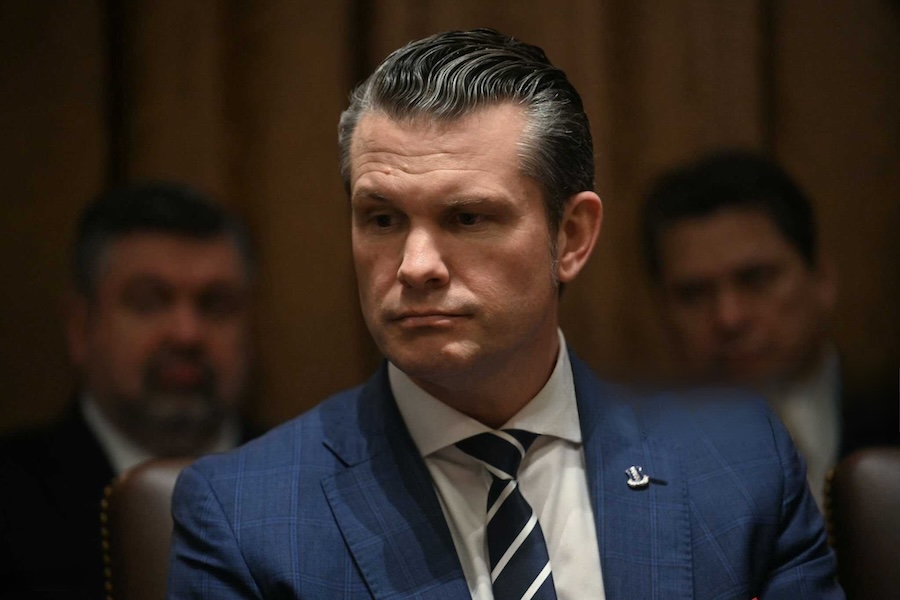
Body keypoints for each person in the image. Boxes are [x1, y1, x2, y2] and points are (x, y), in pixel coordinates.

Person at [168, 30, 842, 599]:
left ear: (570, 238)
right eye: (382, 219)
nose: (415, 266)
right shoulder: (243, 516)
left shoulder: (738, 463)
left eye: (467, 218)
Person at [0, 181, 259, 599]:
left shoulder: (309, 486)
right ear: (81, 328)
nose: (187, 334)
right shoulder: (13, 502)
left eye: (214, 304)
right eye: (149, 302)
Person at [640, 148, 895, 509]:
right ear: (662, 309)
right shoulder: (637, 463)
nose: (729, 318)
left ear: (822, 277)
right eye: (693, 294)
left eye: (756, 279)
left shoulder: (888, 417)